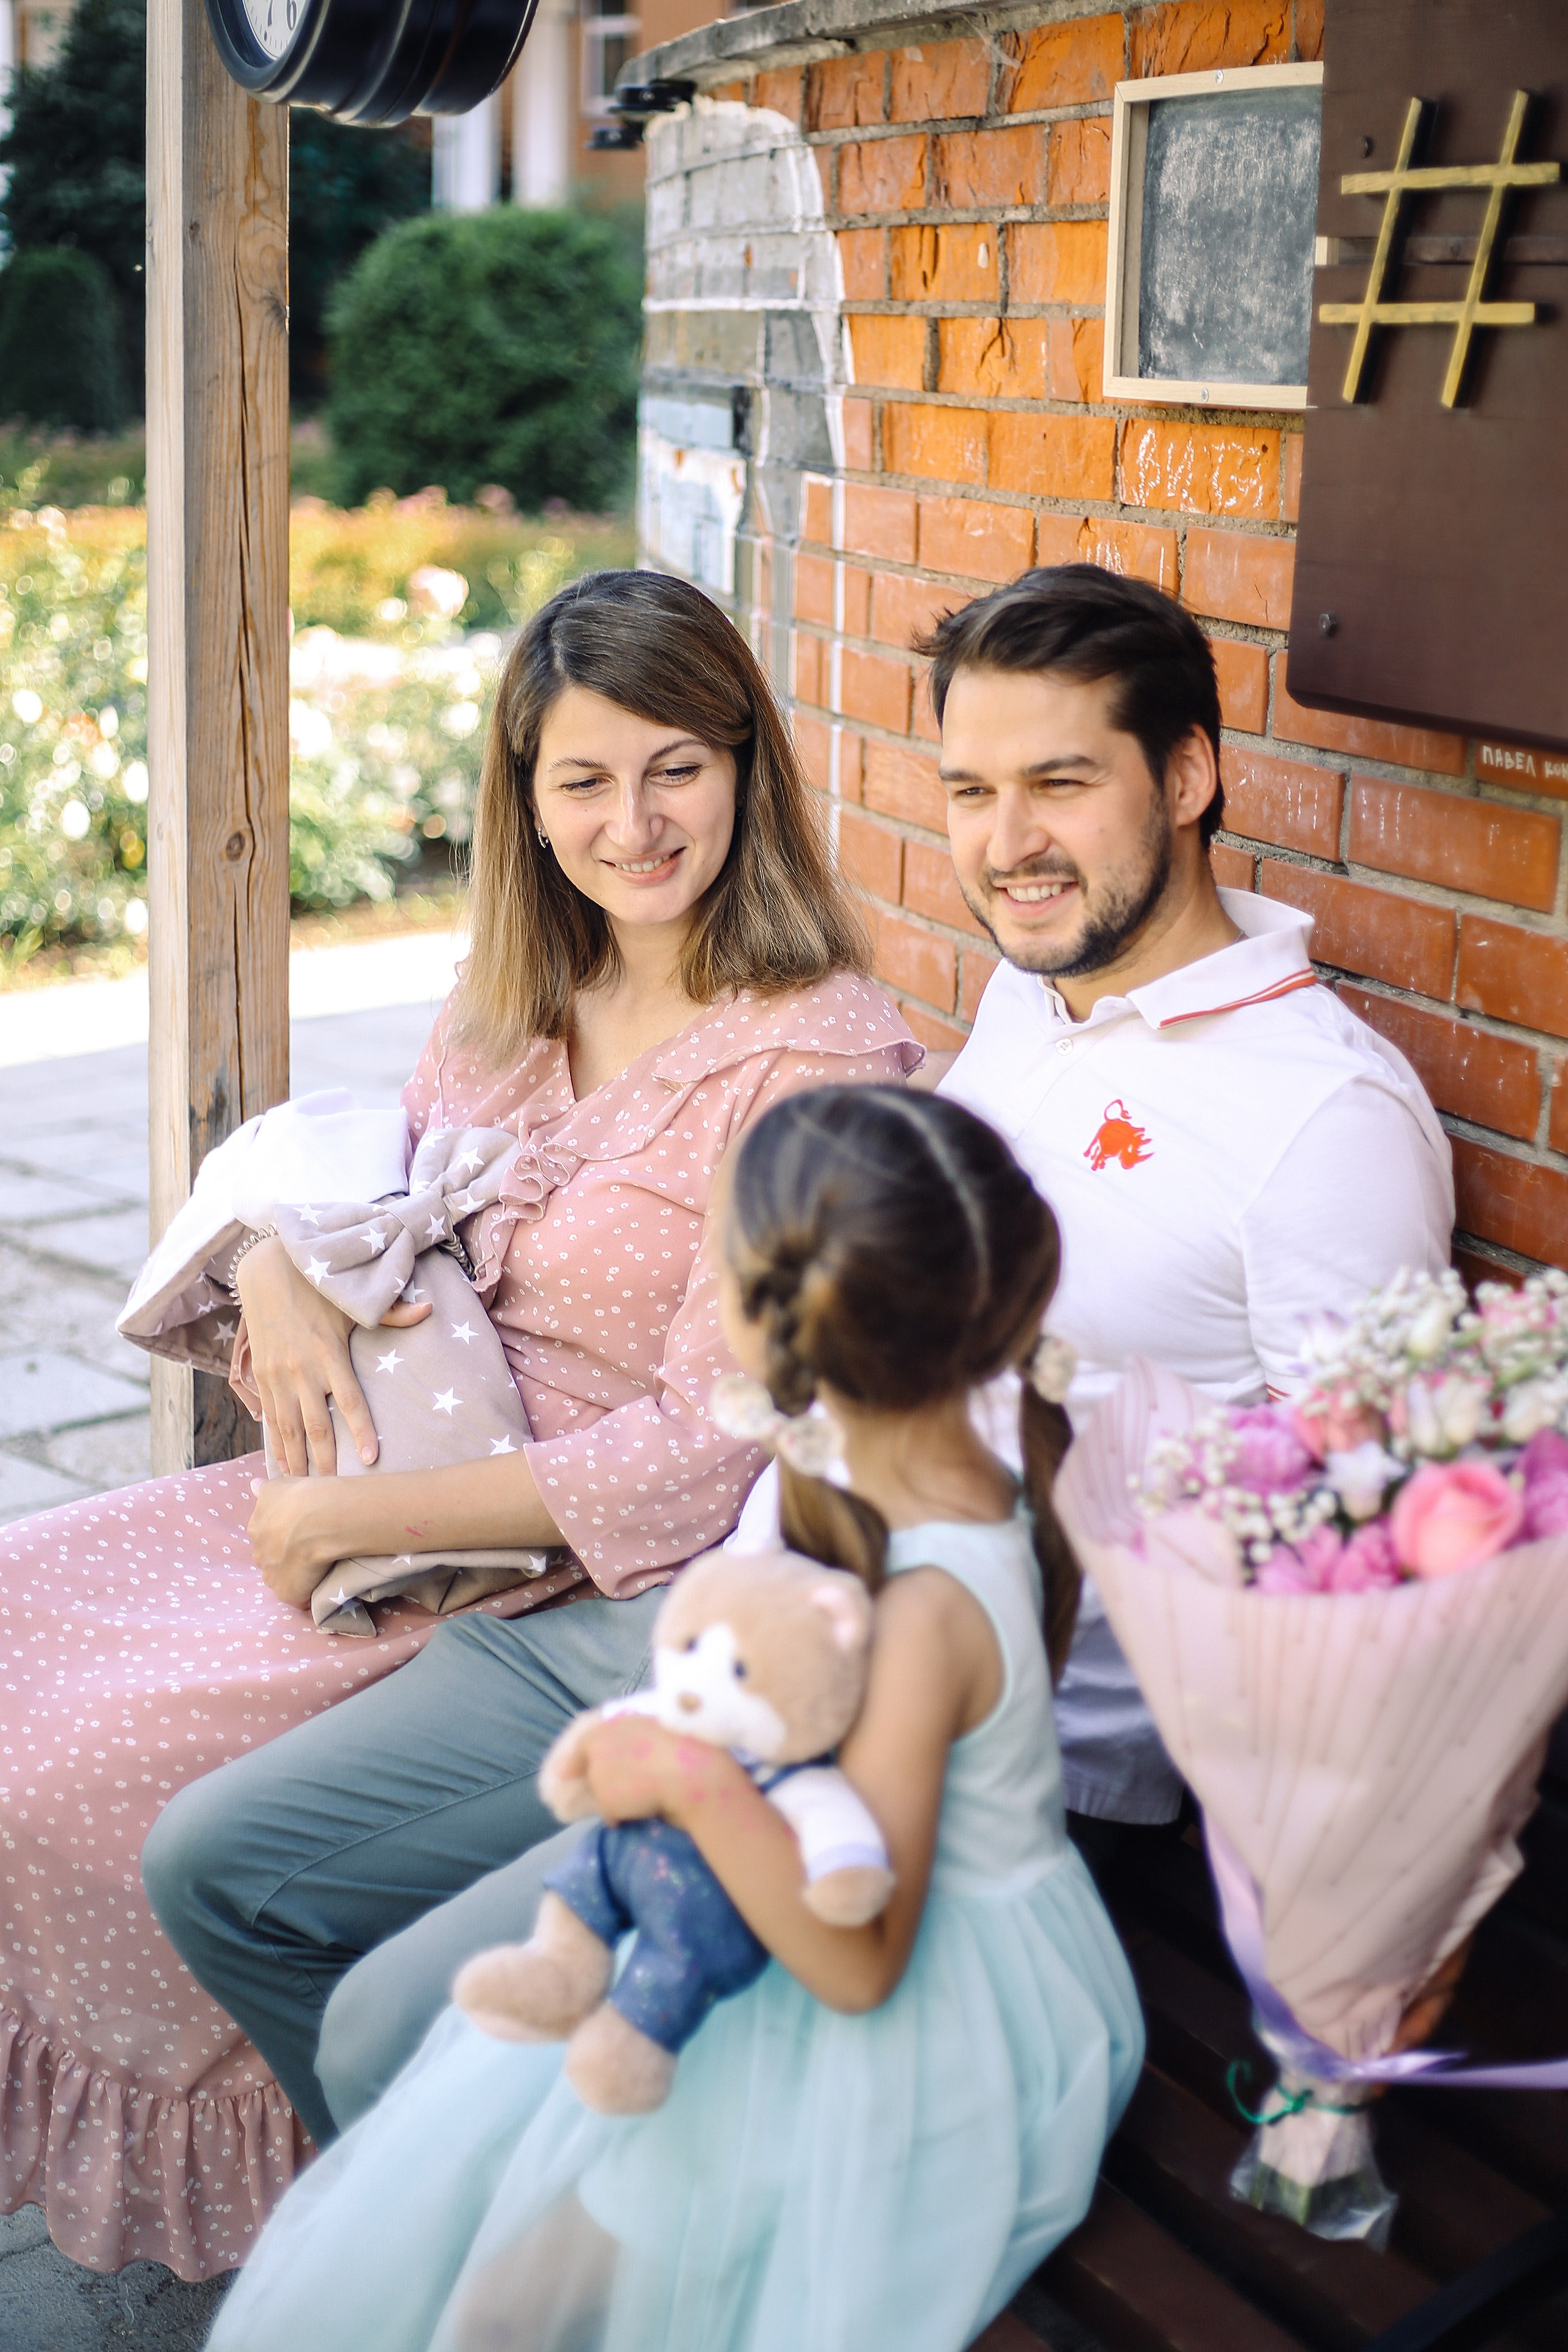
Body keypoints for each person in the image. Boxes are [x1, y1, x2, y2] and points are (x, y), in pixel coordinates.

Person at [305, 561, 1455, 2128]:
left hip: (980, 1752)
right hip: (772, 1646)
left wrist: (1364, 1930)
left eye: (1061, 782)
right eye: (970, 789)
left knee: (398, 2041)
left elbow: (1388, 1567)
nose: (1006, 845)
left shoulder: (1322, 1117)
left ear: (1188, 774)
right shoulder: (1029, 1012)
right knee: (382, 2008)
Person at [0, 570, 916, 2280]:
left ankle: (423, 2230)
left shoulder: (817, 1067)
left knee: (115, 1790)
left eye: (675, 768)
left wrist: (335, 1526)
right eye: (583, 780)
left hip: (575, 1586)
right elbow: (380, 1200)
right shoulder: (509, 1010)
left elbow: (709, 1442)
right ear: (525, 799)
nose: (633, 823)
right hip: (381, 1511)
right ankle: (392, 2194)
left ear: (746, 767)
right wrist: (276, 1262)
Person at [206, 1085, 1144, 2352]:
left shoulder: (931, 1606)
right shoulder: (879, 1456)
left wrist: (685, 1782)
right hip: (786, 1889)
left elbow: (858, 1963)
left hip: (911, 1997)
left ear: (778, 1319)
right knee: (505, 2280)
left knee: (522, 2300)